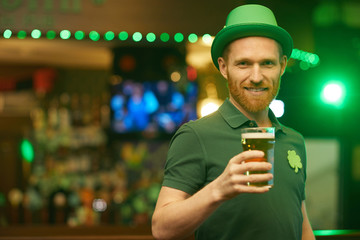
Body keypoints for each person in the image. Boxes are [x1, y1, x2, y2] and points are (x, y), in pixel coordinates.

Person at [152, 4, 315, 240]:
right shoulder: (195, 135)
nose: (257, 77)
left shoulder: (294, 141)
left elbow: (301, 224)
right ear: (224, 67)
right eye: (244, 64)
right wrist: (219, 189)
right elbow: (161, 229)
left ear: (282, 66)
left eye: (267, 63)